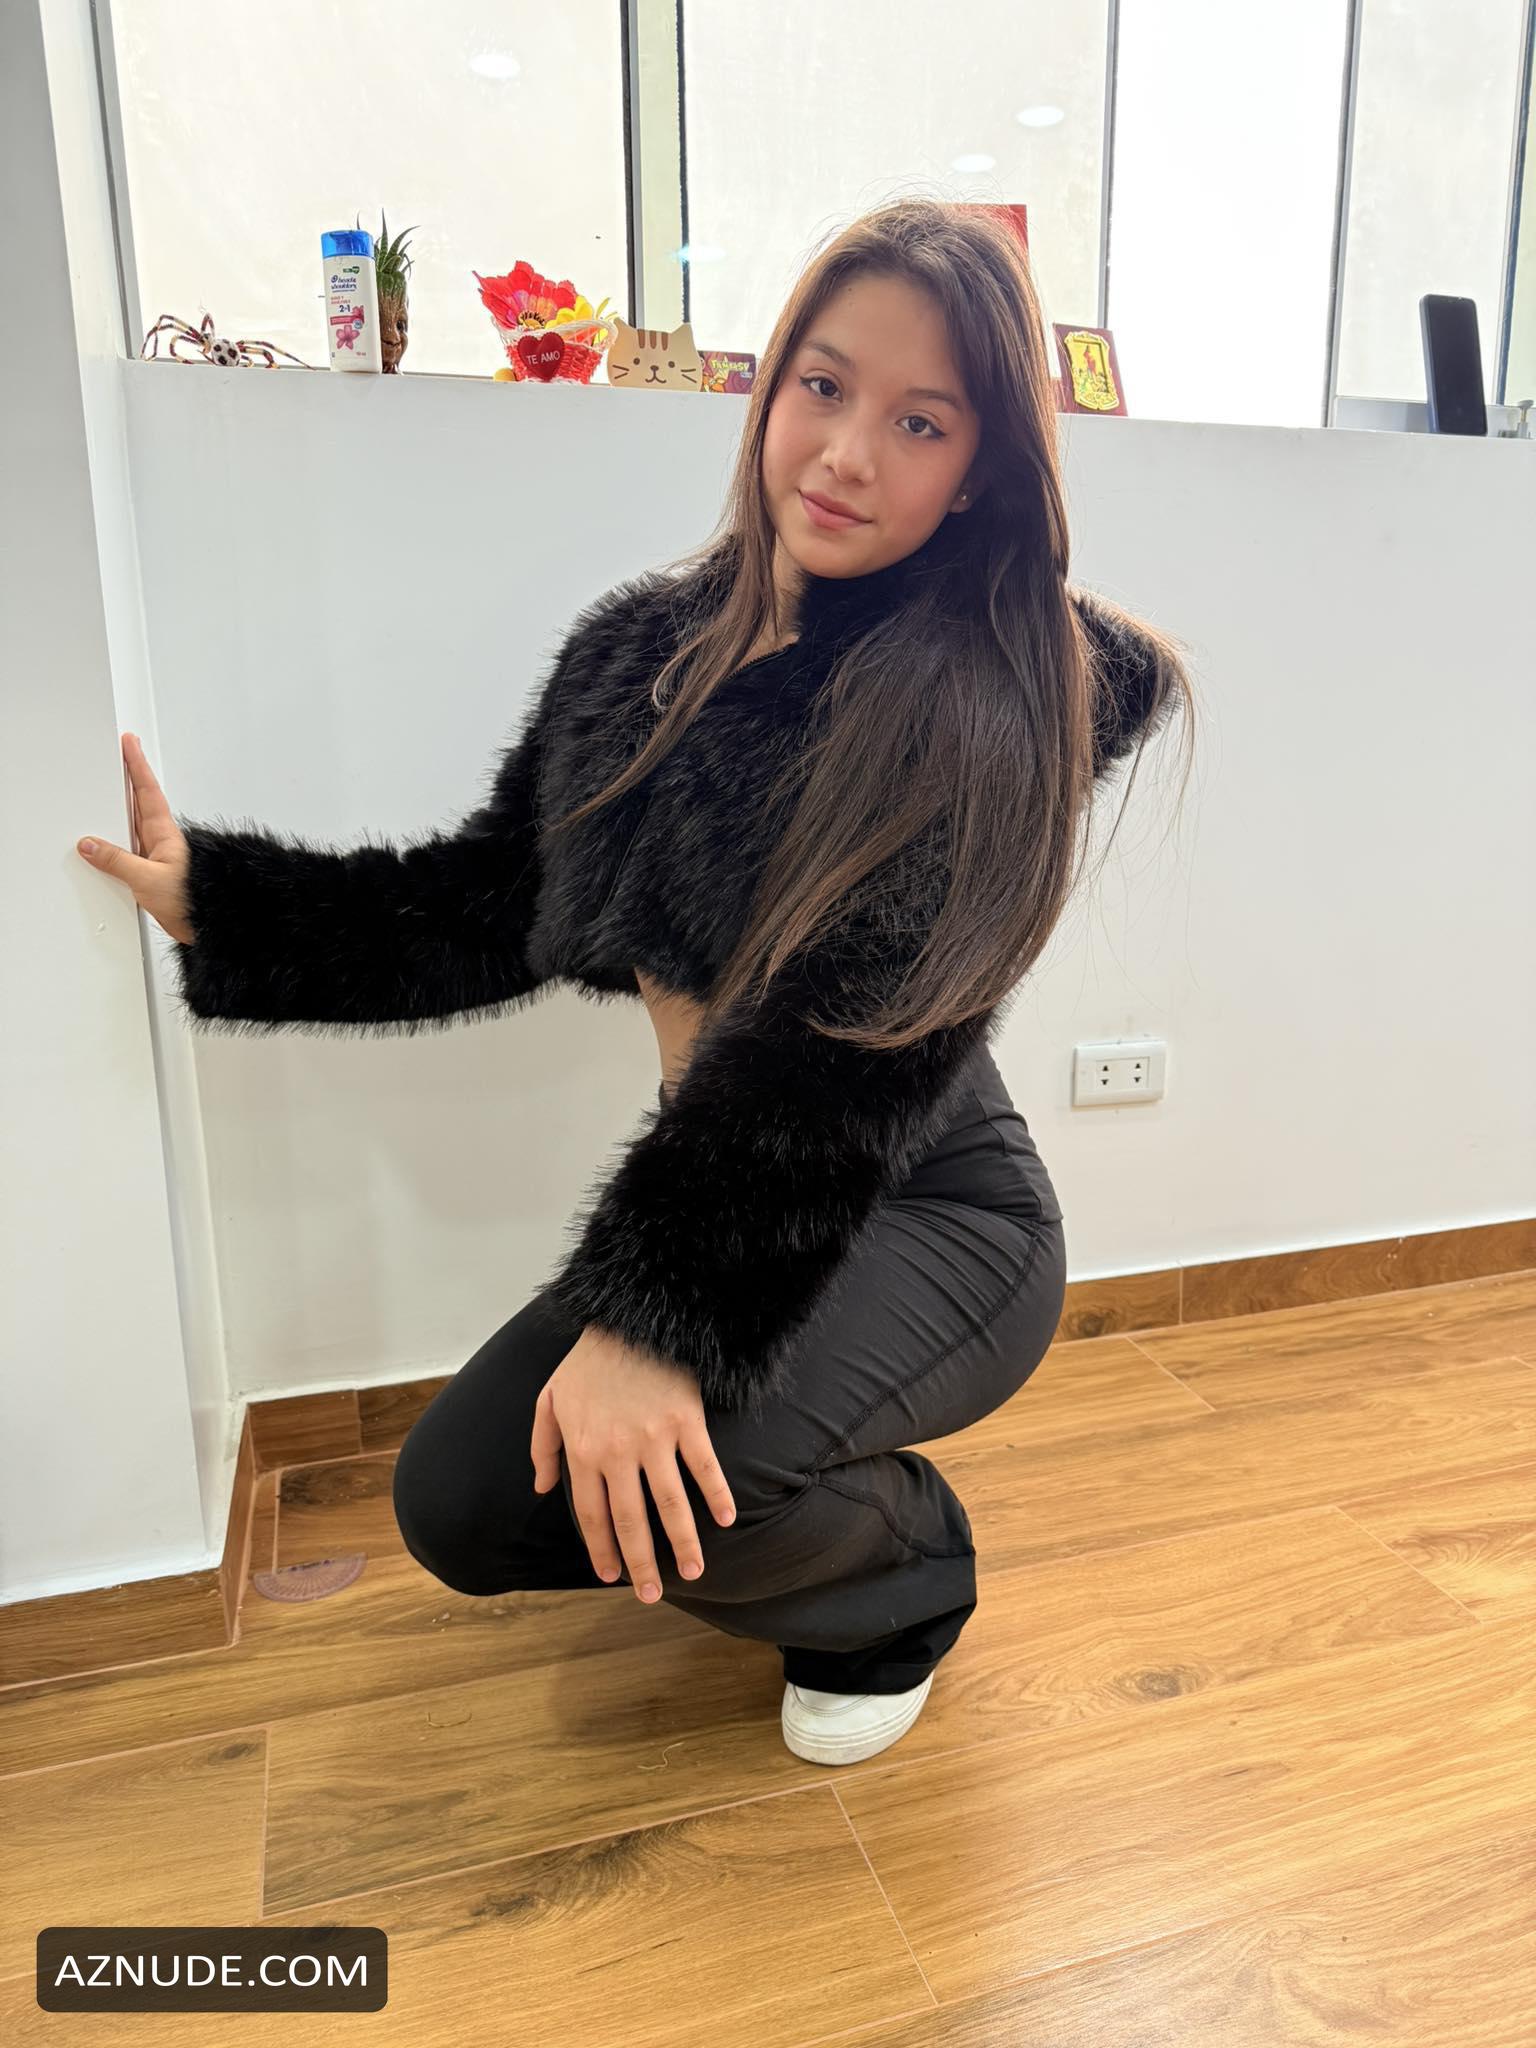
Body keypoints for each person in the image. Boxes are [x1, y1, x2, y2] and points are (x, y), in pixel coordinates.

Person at [77, 198, 1193, 1767]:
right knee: (466, 1500)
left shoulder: (992, 703)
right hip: (729, 1188)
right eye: (823, 385)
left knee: (690, 1473)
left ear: (978, 473)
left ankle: (903, 1581)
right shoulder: (639, 653)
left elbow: (834, 1062)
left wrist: (658, 1330)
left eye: (920, 422)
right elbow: (492, 899)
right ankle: (809, 1483)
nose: (846, 454)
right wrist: (227, 903)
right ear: (771, 385)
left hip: (929, 1204)